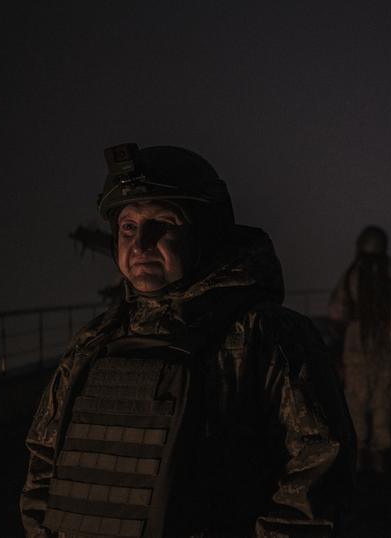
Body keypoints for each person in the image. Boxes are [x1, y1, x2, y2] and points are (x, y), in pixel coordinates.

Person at [20, 143, 355, 538]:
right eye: (128, 226)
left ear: (205, 232)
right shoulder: (95, 340)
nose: (141, 243)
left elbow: (319, 465)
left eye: (163, 222)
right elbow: (45, 460)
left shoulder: (266, 335)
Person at [328, 226, 391, 474]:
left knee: (356, 403)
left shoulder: (353, 272)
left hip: (357, 344)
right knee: (383, 400)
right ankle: (380, 456)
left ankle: (358, 457)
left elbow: (337, 311)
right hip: (387, 344)